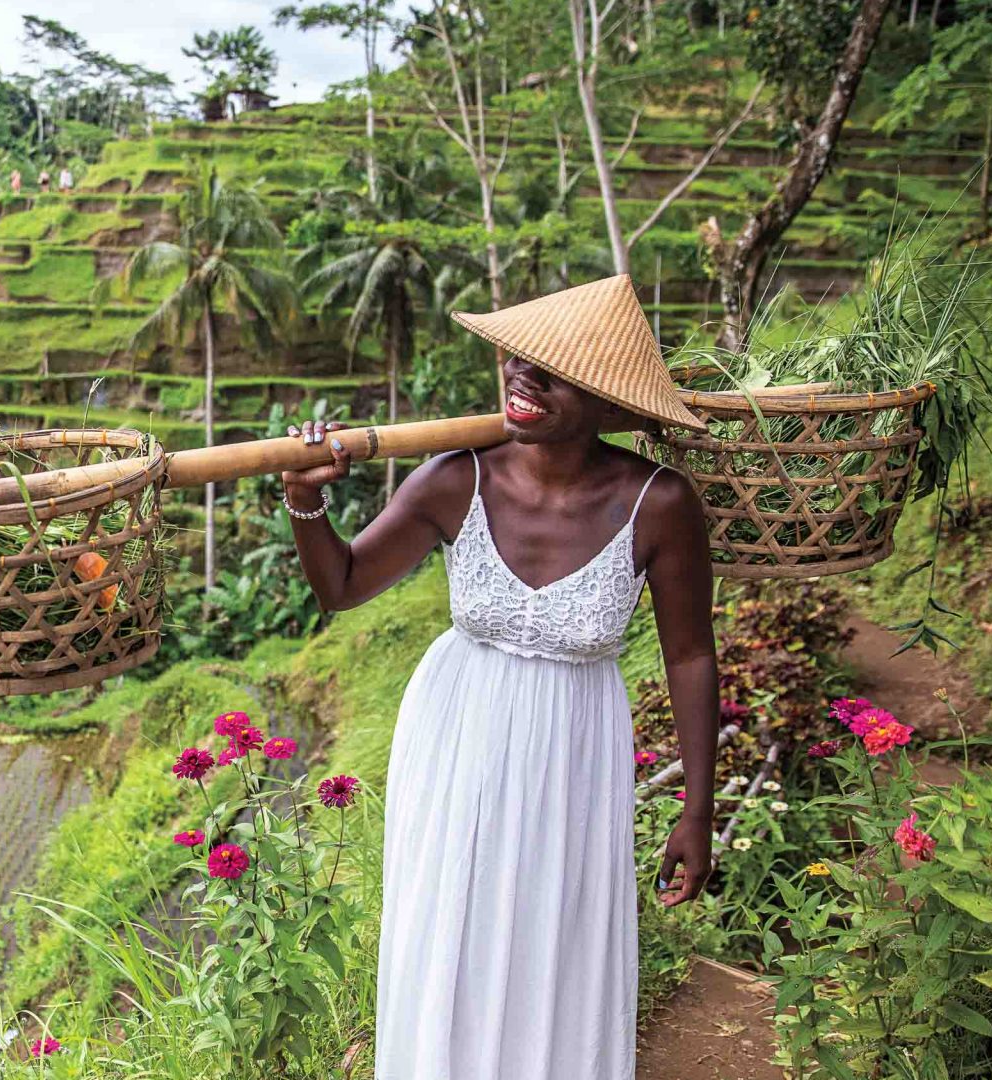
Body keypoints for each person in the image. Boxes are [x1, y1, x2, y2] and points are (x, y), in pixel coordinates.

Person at [281, 275, 720, 1079]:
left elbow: (691, 654)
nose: (521, 376)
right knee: (451, 930)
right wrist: (305, 502)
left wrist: (699, 807)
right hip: (457, 737)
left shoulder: (658, 503)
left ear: (605, 398)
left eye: (549, 371)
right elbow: (341, 586)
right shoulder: (456, 479)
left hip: (574, 749)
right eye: (516, 359)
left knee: (557, 938)